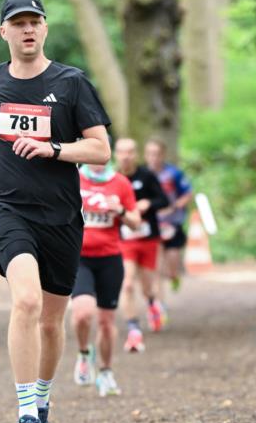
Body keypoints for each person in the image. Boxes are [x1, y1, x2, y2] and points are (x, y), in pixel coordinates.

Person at [0, 0, 111, 423]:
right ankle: (25, 417)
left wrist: (54, 149)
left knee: (51, 322)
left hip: (61, 217)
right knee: (25, 300)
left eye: (34, 22)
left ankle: (41, 401)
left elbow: (100, 149)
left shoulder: (71, 83)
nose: (27, 29)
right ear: (4, 31)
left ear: (45, 28)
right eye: (18, 23)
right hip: (9, 210)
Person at [70, 160, 141, 396]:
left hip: (110, 259)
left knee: (106, 321)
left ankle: (106, 372)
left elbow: (136, 222)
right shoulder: (73, 177)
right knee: (82, 313)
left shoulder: (120, 183)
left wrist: (120, 211)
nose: (97, 162)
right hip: (79, 258)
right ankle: (84, 353)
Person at [114, 137, 169, 352]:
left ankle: (153, 303)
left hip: (148, 238)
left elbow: (164, 200)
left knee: (147, 286)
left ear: (136, 155)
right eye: (121, 152)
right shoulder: (113, 178)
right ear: (115, 154)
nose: (126, 156)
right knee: (127, 283)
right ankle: (133, 327)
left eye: (130, 152)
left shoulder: (147, 176)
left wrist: (148, 203)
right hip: (124, 240)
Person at [144, 137, 194, 308]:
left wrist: (174, 206)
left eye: (157, 154)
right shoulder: (143, 174)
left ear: (163, 155)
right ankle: (160, 304)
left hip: (173, 223)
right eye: (150, 154)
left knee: (171, 265)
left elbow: (187, 193)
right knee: (157, 268)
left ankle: (174, 276)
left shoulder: (174, 173)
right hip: (153, 225)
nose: (153, 158)